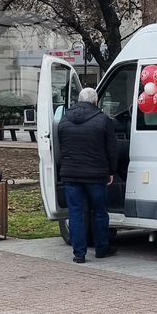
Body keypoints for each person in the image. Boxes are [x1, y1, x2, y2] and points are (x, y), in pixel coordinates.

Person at [57, 87, 118, 263]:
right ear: (96, 101)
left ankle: (79, 253)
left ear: (79, 100)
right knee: (99, 211)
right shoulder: (103, 120)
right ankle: (101, 248)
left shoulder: (64, 119)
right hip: (96, 175)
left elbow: (62, 146)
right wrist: (111, 172)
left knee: (75, 213)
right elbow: (112, 149)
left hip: (71, 174)